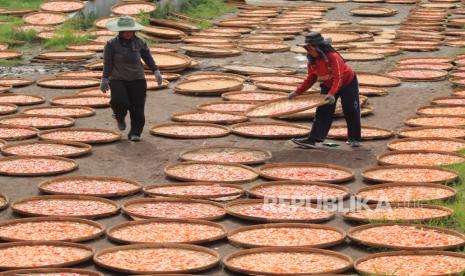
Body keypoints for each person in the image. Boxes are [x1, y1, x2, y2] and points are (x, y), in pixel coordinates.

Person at [289, 32, 361, 148]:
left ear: (316, 47)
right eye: (306, 48)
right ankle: (313, 139)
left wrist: (332, 94)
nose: (307, 51)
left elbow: (339, 77)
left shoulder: (333, 57)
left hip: (347, 83)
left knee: (350, 108)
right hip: (328, 85)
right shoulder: (312, 60)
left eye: (309, 48)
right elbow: (311, 78)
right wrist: (297, 91)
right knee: (323, 111)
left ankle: (354, 138)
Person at [100, 15, 163, 142]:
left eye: (130, 31)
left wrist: (156, 71)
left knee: (138, 107)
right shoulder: (111, 44)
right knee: (120, 102)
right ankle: (119, 116)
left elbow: (147, 57)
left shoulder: (140, 42)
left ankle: (135, 133)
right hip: (118, 78)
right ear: (120, 31)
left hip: (137, 79)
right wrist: (104, 78)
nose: (128, 33)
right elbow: (108, 62)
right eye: (125, 31)